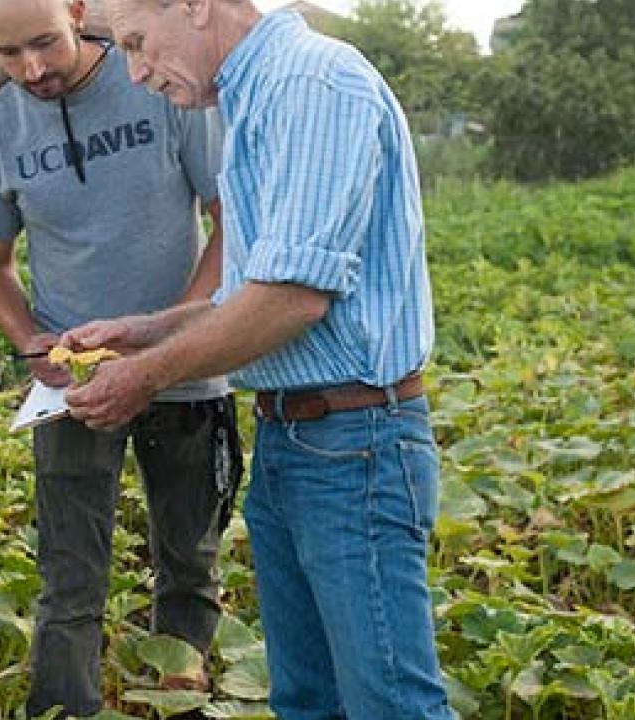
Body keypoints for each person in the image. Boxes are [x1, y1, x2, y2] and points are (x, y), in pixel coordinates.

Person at [62, 1, 453, 718]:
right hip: (293, 439)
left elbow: (291, 299)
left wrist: (145, 379)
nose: (138, 72)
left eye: (140, 43)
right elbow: (253, 291)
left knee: (391, 704)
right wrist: (140, 332)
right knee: (307, 700)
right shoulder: (251, 98)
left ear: (195, 6)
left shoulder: (311, 83)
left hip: (354, 445)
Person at [0, 0, 242, 715]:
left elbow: (228, 222)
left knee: (190, 563)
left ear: (77, 12)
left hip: (188, 371)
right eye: (9, 53)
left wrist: (174, 336)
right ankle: (63, 708)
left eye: (44, 43)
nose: (33, 69)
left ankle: (181, 696)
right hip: (72, 388)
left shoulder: (160, 85)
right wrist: (30, 343)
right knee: (70, 575)